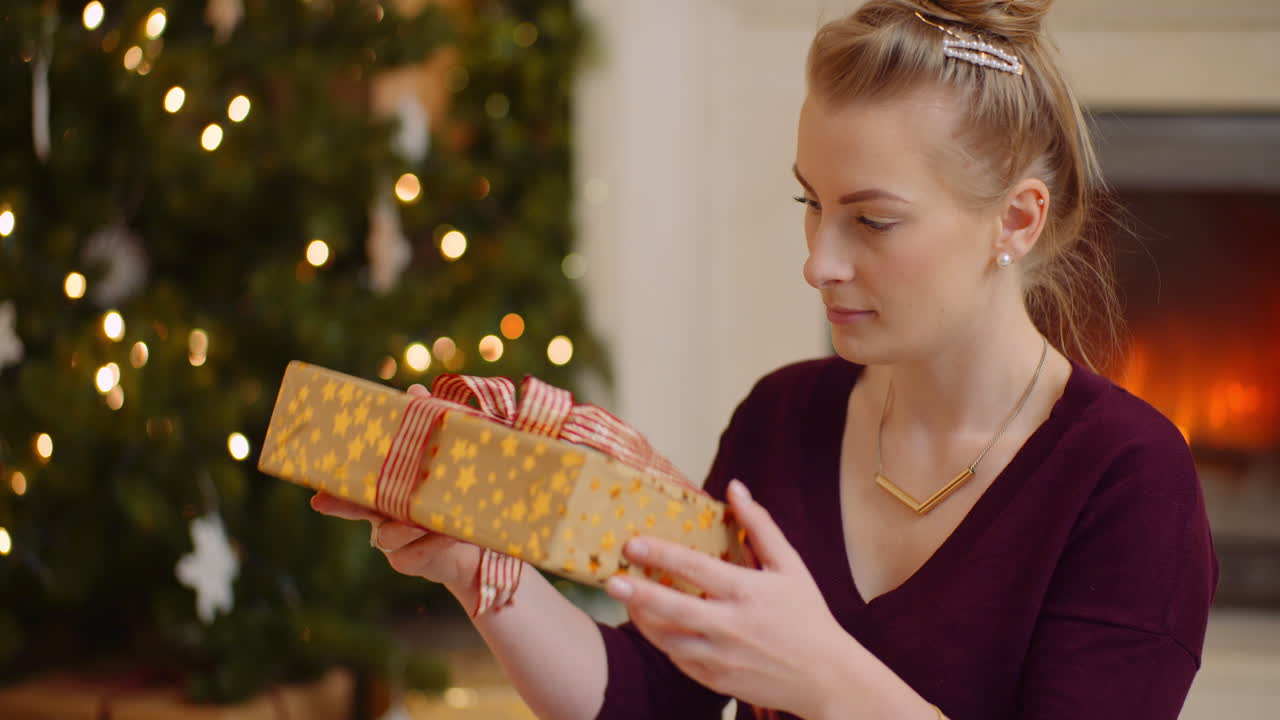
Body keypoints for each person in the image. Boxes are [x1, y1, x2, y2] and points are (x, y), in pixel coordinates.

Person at [311, 0, 1219, 717]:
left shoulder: (1129, 482)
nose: (819, 262)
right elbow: (654, 700)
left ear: (1015, 220)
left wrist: (822, 677)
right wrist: (478, 572)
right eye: (811, 205)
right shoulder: (785, 418)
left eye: (872, 219)